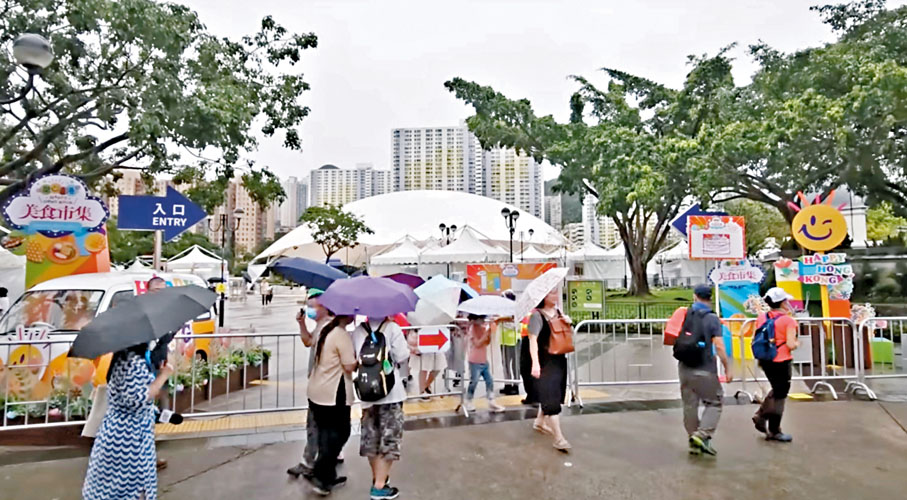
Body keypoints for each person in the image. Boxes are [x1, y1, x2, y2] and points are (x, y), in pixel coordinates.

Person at [82, 343, 173, 500]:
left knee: (110, 488)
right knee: (132, 487)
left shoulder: (121, 357)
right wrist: (164, 375)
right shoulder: (132, 362)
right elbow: (136, 399)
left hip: (118, 432)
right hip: (130, 438)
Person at [352, 316, 411, 500]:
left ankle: (379, 480)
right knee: (389, 440)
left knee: (372, 441)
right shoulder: (392, 327)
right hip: (391, 393)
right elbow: (402, 356)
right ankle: (379, 486)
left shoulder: (358, 331)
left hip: (367, 393)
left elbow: (355, 360)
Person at [306, 313, 357, 495]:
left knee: (325, 434)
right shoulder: (341, 335)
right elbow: (349, 366)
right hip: (333, 393)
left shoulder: (324, 329)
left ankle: (327, 474)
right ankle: (322, 476)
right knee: (341, 432)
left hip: (317, 390)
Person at [677, 284, 731, 457]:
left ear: (694, 296)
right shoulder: (712, 318)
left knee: (689, 404)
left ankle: (693, 439)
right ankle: (701, 435)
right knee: (714, 402)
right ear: (710, 297)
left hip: (684, 366)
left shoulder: (685, 314)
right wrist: (727, 367)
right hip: (705, 367)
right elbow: (720, 346)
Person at [288, 289, 332, 479]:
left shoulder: (328, 327)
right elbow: (308, 341)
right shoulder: (321, 325)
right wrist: (301, 323)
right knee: (319, 425)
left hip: (323, 386)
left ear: (323, 306)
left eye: (313, 305)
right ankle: (319, 462)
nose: (310, 309)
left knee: (318, 425)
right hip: (317, 385)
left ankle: (314, 465)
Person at [753, 287, 799, 443]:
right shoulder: (788, 321)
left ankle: (761, 415)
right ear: (783, 302)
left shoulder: (761, 318)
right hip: (782, 360)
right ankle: (773, 429)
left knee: (776, 390)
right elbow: (791, 344)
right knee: (780, 395)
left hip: (765, 360)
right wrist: (797, 343)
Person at [528, 287, 571, 452]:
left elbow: (567, 334)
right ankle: (559, 438)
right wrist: (535, 363)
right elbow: (533, 340)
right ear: (544, 297)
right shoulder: (537, 316)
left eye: (556, 292)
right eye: (552, 293)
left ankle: (539, 422)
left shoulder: (559, 313)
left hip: (559, 358)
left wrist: (568, 322)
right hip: (545, 361)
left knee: (556, 394)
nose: (556, 296)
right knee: (551, 398)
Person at [464, 314, 504, 413]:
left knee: (489, 380)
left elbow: (486, 342)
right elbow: (477, 343)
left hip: (483, 360)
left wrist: (490, 331)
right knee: (474, 382)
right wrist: (487, 333)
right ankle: (468, 400)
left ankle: (491, 400)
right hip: (475, 361)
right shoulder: (472, 329)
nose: (482, 321)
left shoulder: (482, 328)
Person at [498, 290, 520, 396]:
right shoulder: (502, 310)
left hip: (514, 341)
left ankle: (516, 385)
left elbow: (514, 324)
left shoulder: (516, 309)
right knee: (505, 364)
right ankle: (507, 384)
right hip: (504, 340)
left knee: (515, 365)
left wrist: (502, 320)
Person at [518, 313, 536, 405]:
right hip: (525, 338)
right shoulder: (525, 308)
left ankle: (535, 396)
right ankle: (531, 394)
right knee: (524, 368)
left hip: (534, 339)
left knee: (529, 367)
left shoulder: (538, 310)